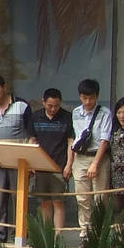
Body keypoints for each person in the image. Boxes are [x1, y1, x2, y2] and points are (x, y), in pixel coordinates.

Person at [0, 74, 32, 241]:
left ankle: (21, 232)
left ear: (4, 87)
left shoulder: (22, 105)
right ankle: (0, 233)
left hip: (20, 160)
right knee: (0, 196)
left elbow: (31, 134)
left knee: (19, 196)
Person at [67, 78, 112, 235]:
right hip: (80, 158)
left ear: (97, 96)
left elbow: (104, 140)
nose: (88, 101)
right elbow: (75, 139)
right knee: (82, 198)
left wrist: (95, 164)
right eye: (84, 97)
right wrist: (70, 162)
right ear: (80, 96)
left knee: (100, 197)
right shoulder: (75, 113)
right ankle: (85, 232)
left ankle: (99, 232)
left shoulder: (104, 113)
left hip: (98, 156)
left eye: (91, 97)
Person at [29, 88, 74, 231]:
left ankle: (58, 236)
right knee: (44, 202)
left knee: (58, 202)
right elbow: (32, 140)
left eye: (56, 105)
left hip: (59, 166)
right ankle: (47, 234)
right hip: (41, 166)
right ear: (43, 102)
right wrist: (31, 163)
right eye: (50, 105)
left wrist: (69, 164)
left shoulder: (67, 117)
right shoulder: (36, 117)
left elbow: (70, 142)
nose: (53, 109)